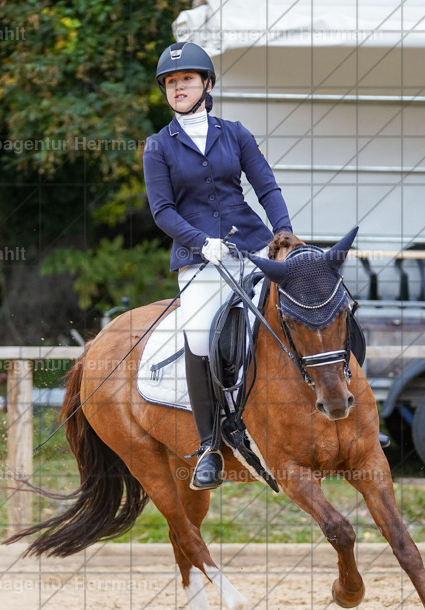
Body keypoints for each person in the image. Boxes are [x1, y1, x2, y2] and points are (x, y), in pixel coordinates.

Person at [143, 42, 294, 491]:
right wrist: (200, 242)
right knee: (198, 337)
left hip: (252, 246)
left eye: (187, 80)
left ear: (206, 84)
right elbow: (162, 211)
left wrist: (284, 232)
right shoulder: (158, 146)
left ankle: (347, 413)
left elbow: (266, 186)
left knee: (309, 304)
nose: (178, 88)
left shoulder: (235, 133)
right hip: (199, 259)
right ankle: (209, 447)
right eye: (171, 82)